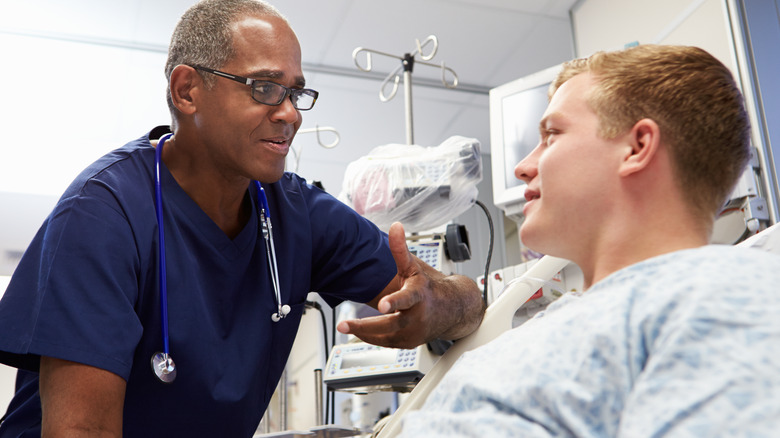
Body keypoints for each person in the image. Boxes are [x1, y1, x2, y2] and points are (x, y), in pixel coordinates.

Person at [0, 1, 484, 436]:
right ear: (187, 90)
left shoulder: (299, 215)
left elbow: (469, 300)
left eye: (297, 92)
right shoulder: (103, 215)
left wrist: (432, 306)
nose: (291, 113)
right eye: (266, 88)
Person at [399, 45, 780, 436]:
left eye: (552, 135)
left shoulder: (721, 300)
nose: (523, 167)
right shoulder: (561, 327)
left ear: (636, 148)